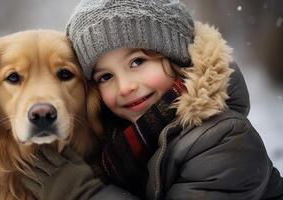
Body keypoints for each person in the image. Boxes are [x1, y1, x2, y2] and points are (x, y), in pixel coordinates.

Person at [21, 0, 283, 199]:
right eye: (105, 77)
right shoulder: (121, 141)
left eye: (138, 61)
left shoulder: (224, 140)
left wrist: (78, 189)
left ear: (178, 57)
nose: (125, 87)